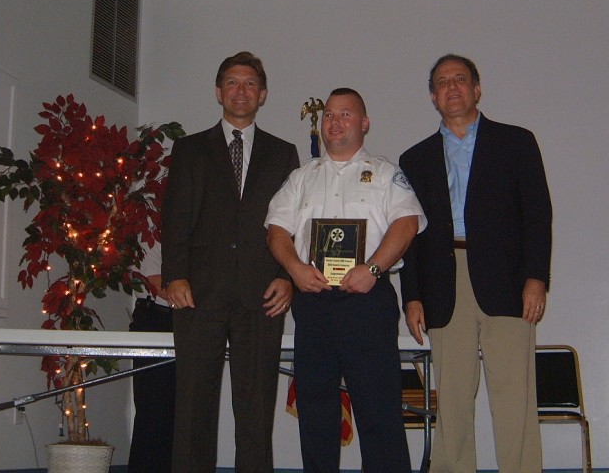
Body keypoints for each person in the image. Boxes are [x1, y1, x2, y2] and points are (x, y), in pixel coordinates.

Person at [399, 54, 552, 473]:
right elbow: (408, 233)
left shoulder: (516, 142)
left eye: (460, 79)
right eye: (442, 82)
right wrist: (411, 296)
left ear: (476, 89)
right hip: (444, 285)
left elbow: (537, 215)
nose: (452, 88)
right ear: (433, 97)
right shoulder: (415, 158)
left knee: (513, 397)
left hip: (507, 282)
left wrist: (536, 278)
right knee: (451, 399)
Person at [266, 88, 427, 473]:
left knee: (380, 414)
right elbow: (276, 231)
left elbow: (405, 225)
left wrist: (372, 269)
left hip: (367, 306)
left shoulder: (387, 174)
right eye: (329, 116)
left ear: (364, 123)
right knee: (317, 417)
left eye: (345, 115)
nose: (334, 122)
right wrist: (294, 268)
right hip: (314, 306)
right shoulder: (301, 177)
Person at [161, 51, 300, 473]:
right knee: (192, 407)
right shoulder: (189, 150)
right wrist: (175, 276)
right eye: (233, 83)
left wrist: (287, 277)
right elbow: (175, 218)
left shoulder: (283, 154)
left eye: (250, 84)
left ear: (263, 95)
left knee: (256, 409)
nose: (241, 91)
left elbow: (294, 224)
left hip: (262, 296)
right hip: (198, 294)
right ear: (219, 92)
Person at [128, 242, 175, 473]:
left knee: (181, 412)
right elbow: (154, 282)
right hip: (156, 319)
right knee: (153, 412)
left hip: (182, 321)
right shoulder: (149, 227)